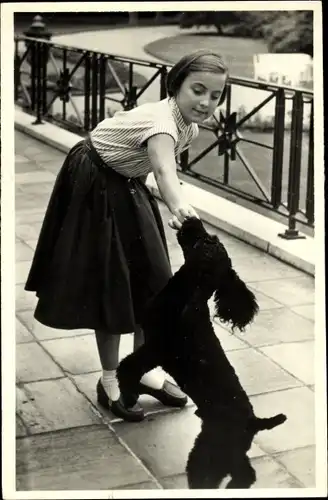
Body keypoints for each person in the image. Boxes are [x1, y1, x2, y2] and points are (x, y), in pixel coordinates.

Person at [25, 49, 229, 422]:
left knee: (152, 281)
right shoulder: (164, 124)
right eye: (197, 90)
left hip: (126, 182)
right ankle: (110, 379)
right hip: (94, 181)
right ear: (175, 86)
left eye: (215, 96)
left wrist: (173, 201)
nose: (206, 102)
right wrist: (180, 208)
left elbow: (159, 169)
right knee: (112, 285)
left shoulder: (189, 127)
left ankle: (143, 369)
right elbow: (165, 172)